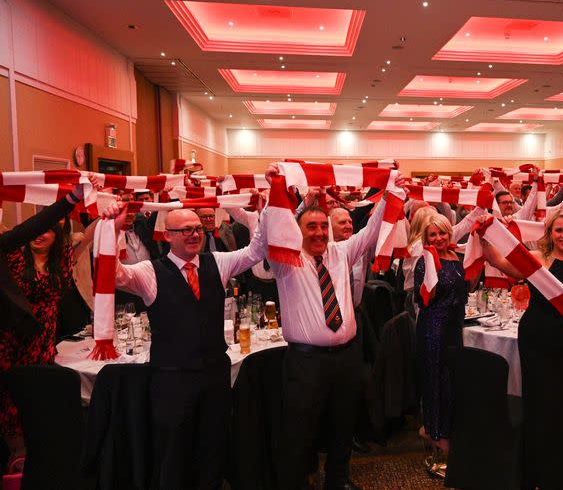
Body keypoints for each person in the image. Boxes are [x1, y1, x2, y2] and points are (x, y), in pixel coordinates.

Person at [104, 192, 271, 489]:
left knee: (212, 450)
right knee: (173, 454)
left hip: (214, 376)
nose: (194, 235)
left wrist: (263, 212)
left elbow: (256, 251)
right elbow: (112, 274)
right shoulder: (150, 271)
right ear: (168, 236)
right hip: (172, 380)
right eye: (186, 230)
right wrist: (113, 229)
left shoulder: (216, 262)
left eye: (198, 229)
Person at [264, 164, 405, 490]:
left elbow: (371, 230)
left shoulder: (341, 252)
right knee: (300, 428)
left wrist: (390, 190)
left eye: (322, 226)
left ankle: (338, 479)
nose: (317, 232)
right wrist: (282, 190)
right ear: (298, 231)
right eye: (310, 226)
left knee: (344, 422)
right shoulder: (286, 261)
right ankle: (295, 482)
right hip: (306, 361)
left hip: (346, 356)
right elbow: (274, 226)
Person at [483, 208, 563, 490]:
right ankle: (538, 475)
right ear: (550, 233)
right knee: (541, 409)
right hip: (537, 344)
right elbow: (498, 262)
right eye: (559, 230)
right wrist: (484, 234)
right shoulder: (538, 260)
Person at [0, 181, 92, 472]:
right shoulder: (13, 254)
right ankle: (17, 454)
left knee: (40, 394)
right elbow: (27, 229)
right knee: (12, 397)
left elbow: (86, 238)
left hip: (45, 337)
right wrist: (69, 199)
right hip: (14, 337)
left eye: (48, 231)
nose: (40, 235)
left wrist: (97, 211)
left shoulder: (61, 259)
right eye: (37, 230)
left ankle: (40, 449)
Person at [412, 213, 467, 478]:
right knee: (436, 382)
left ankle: (443, 431)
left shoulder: (457, 256)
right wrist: (430, 268)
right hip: (433, 329)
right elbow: (424, 300)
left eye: (442, 233)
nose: (438, 239)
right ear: (426, 238)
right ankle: (433, 433)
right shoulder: (425, 261)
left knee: (453, 383)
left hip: (455, 328)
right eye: (432, 235)